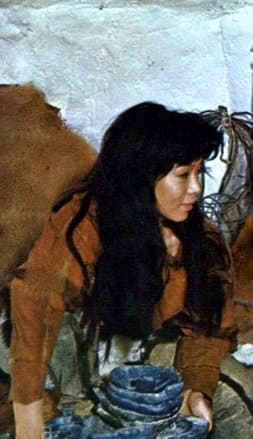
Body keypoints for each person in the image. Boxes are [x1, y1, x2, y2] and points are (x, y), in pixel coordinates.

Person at [7, 102, 235, 438]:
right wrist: (29, 416)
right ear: (142, 178)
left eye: (199, 173)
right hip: (74, 352)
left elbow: (208, 327)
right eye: (183, 175)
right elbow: (36, 305)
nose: (196, 188)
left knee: (237, 391)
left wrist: (195, 390)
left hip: (144, 352)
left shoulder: (203, 240)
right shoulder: (83, 225)